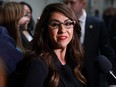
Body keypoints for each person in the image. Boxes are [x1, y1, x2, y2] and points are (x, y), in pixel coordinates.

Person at [18, 3, 86, 87]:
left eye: (67, 24)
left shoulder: (73, 61)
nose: (62, 30)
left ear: (74, 28)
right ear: (45, 30)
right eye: (55, 24)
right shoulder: (38, 65)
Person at [63, 0, 116, 87]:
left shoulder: (97, 24)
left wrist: (112, 80)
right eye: (66, 3)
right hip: (68, 74)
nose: (68, 6)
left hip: (91, 75)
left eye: (72, 3)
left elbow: (107, 52)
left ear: (83, 4)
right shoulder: (62, 24)